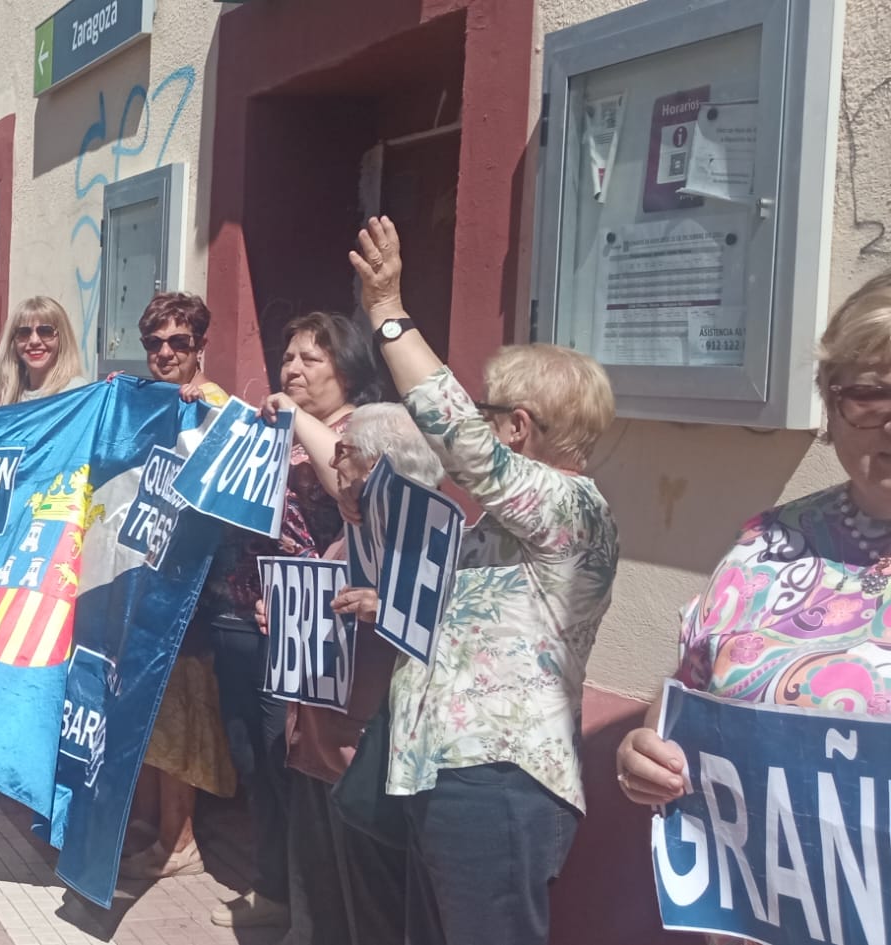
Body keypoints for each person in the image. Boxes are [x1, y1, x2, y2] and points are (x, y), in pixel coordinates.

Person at [351, 216, 620, 945]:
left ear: (517, 427)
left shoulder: (574, 509)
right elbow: (480, 625)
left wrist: (388, 315)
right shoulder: (501, 531)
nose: (478, 420)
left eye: (488, 410)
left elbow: (458, 442)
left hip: (497, 781)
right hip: (442, 771)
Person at [615, 271, 891, 945]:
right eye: (870, 393)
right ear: (832, 403)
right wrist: (645, 754)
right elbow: (690, 691)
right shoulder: (766, 543)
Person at [204, 309, 386, 929]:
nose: (295, 368)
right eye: (289, 357)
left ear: (349, 368)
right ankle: (277, 887)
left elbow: (350, 492)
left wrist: (294, 418)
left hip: (322, 631)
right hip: (256, 610)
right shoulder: (277, 425)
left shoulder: (365, 427)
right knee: (256, 754)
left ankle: (301, 905)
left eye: (313, 357)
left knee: (298, 766)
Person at [255, 401, 435, 945]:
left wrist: (388, 608)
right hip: (315, 742)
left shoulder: (419, 535)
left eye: (347, 450)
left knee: (369, 912)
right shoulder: (355, 526)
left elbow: (437, 628)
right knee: (320, 902)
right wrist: (283, 615)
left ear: (383, 465)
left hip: (360, 758)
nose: (335, 460)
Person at [107, 293, 239, 879]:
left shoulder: (218, 406)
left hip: (196, 587)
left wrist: (207, 405)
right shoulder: (150, 400)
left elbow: (241, 455)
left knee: (182, 715)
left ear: (200, 346)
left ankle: (179, 840)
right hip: (142, 577)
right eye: (155, 343)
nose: (165, 353)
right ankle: (148, 822)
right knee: (148, 709)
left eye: (178, 342)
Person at [0, 296, 87, 406]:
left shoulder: (76, 392)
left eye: (45, 331)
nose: (34, 341)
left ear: (62, 338)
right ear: (13, 341)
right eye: (24, 332)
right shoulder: (6, 395)